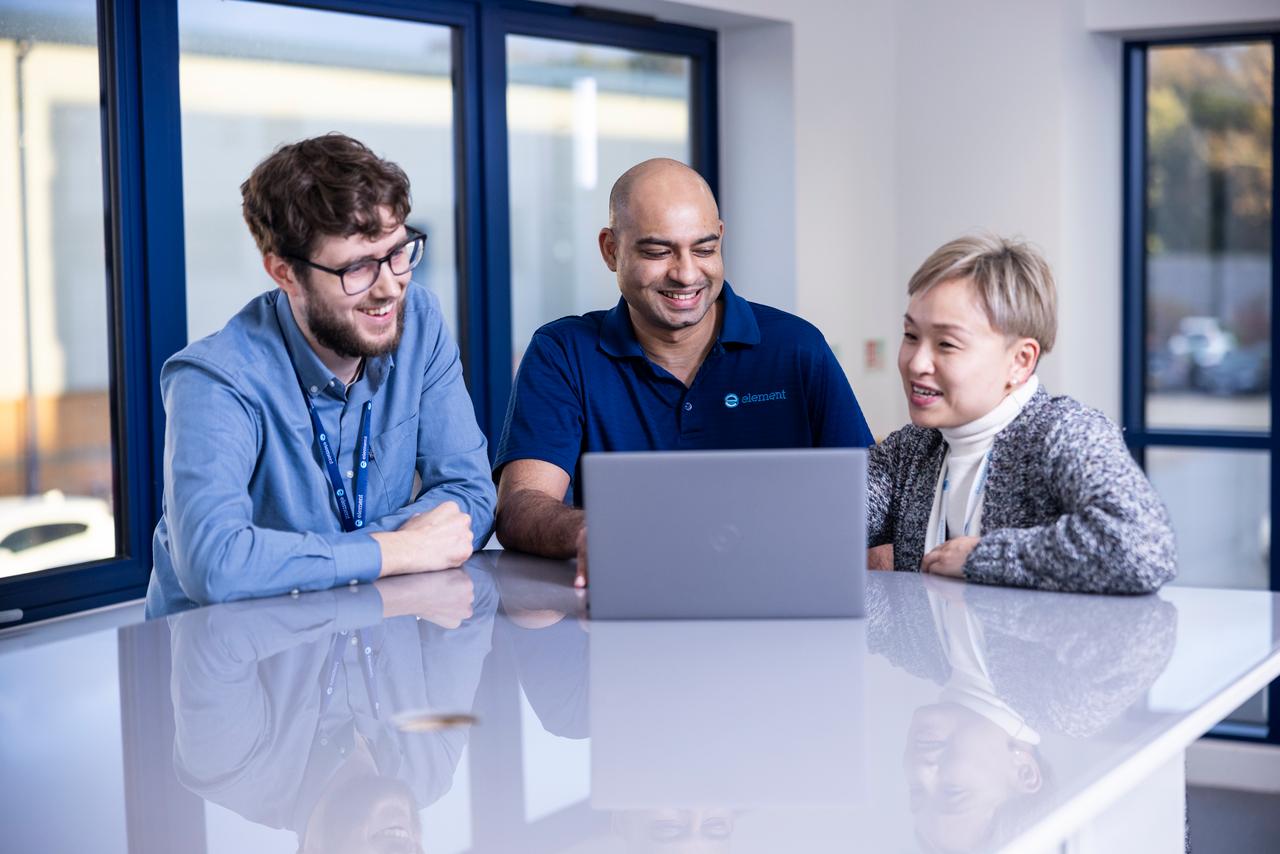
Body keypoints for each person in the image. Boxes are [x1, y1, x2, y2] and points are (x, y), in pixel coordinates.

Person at [146, 133, 495, 615]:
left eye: (398, 252)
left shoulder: (419, 321)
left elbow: (470, 498)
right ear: (284, 273)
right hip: (237, 664)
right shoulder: (214, 379)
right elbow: (216, 564)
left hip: (368, 643)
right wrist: (397, 550)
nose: (390, 287)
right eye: (357, 269)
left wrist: (300, 560)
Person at [494, 158, 874, 584]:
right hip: (625, 619)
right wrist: (593, 531)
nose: (687, 274)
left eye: (704, 249)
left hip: (784, 613)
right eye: (658, 251)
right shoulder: (563, 352)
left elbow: (871, 518)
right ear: (610, 250)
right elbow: (521, 506)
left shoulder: (798, 349)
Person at [867, 234, 1176, 593]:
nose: (916, 363)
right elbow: (826, 521)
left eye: (946, 344)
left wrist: (983, 558)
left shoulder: (1064, 433)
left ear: (1020, 360)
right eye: (910, 335)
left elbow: (1143, 549)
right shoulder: (912, 448)